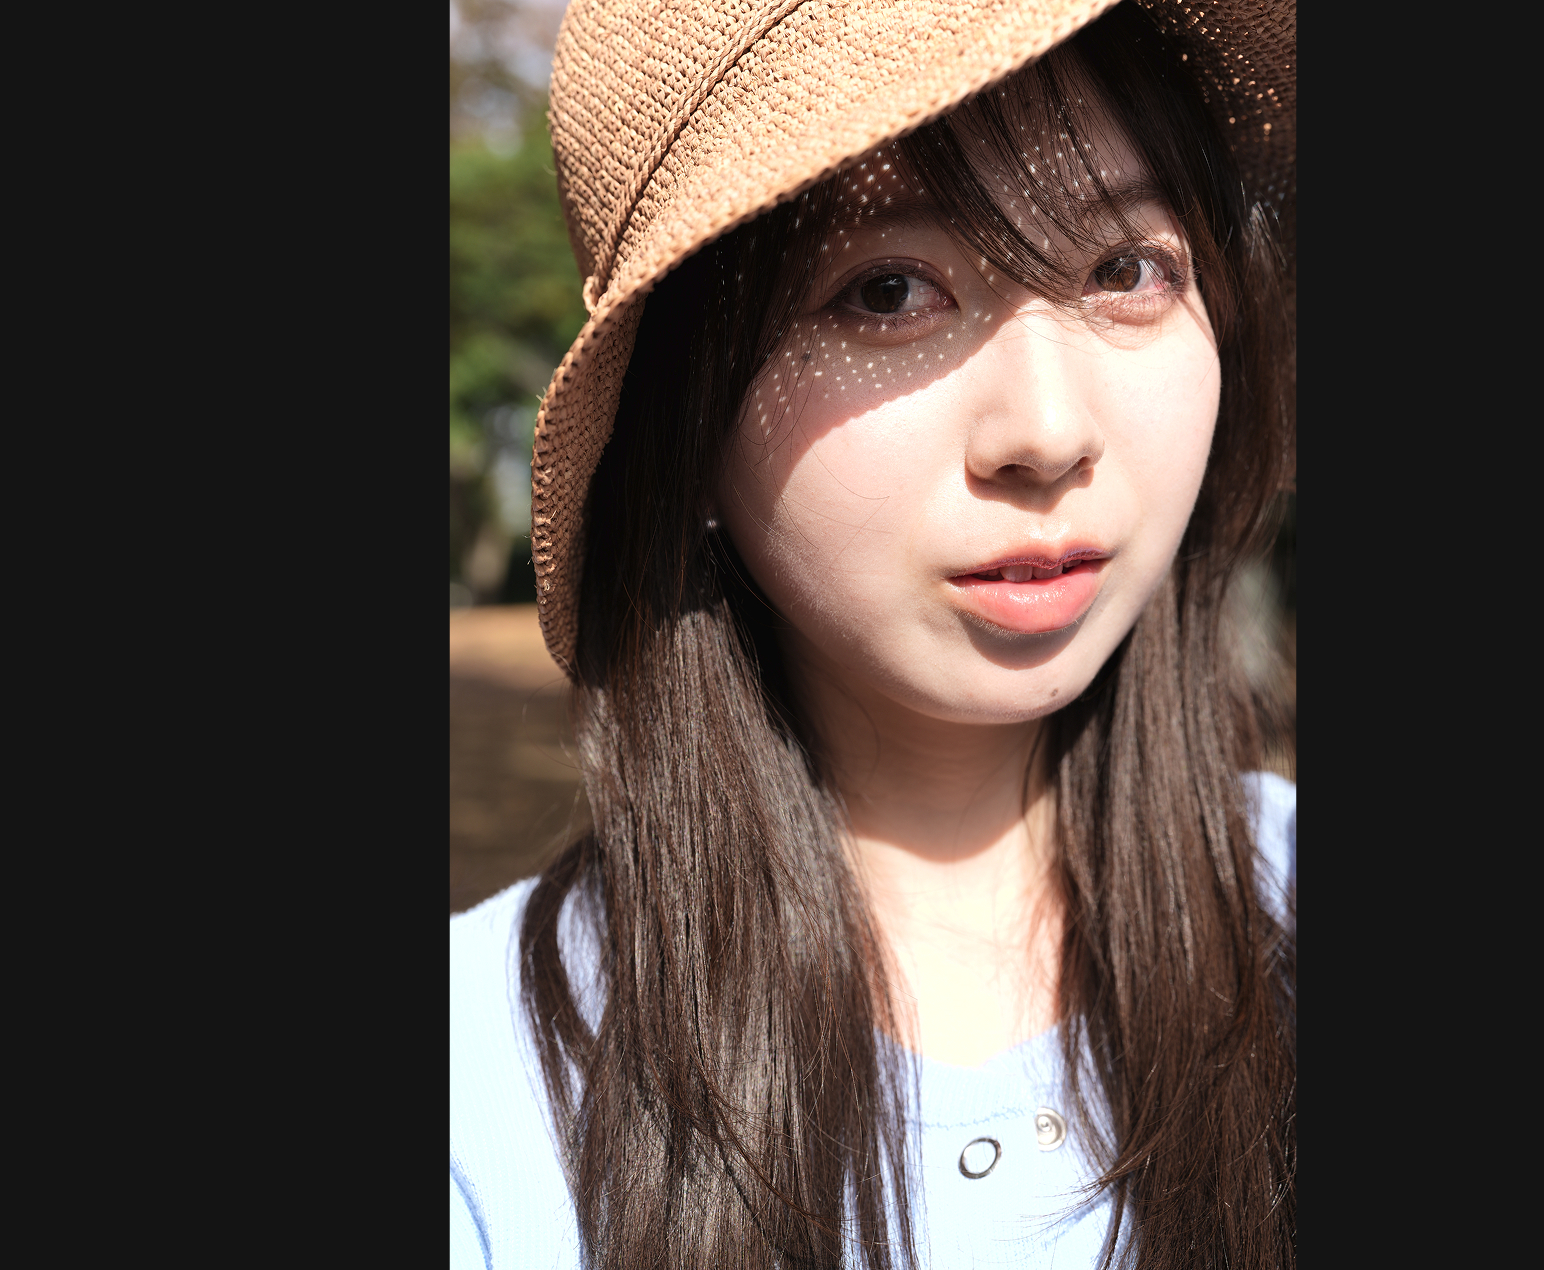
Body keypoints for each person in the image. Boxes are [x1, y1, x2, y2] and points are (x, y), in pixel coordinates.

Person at [451, 1, 1296, 1265]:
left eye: (1124, 269)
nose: (1046, 431)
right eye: (887, 291)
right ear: (682, 419)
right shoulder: (486, 1097)